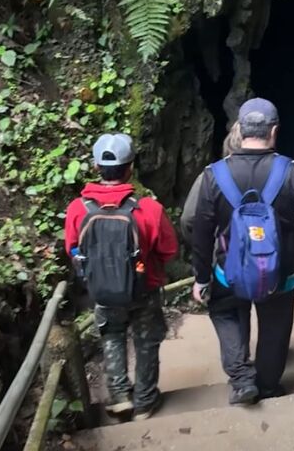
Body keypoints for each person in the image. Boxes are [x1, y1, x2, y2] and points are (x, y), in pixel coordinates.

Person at [191, 98, 294, 405]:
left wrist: (201, 277)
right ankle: (268, 386)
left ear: (239, 130)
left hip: (228, 270)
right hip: (279, 272)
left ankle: (242, 380)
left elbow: (199, 229)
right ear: (274, 131)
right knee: (275, 328)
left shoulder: (214, 174)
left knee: (227, 313)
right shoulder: (291, 171)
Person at [64, 133, 179, 421]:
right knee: (146, 342)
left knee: (112, 338)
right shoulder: (149, 209)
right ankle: (144, 402)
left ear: (95, 166)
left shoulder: (78, 210)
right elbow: (169, 250)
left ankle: (120, 396)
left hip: (102, 291)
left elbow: (72, 248)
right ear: (130, 168)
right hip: (144, 289)